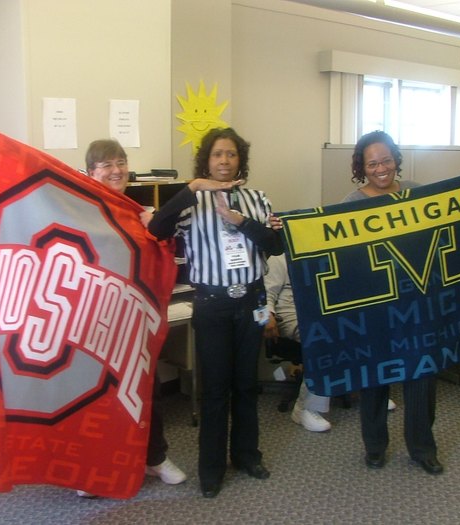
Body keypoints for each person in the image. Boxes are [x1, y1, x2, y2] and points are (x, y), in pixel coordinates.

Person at [148, 127, 284, 498]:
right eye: (217, 155)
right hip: (213, 303)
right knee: (214, 389)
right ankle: (211, 469)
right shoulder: (192, 201)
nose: (224, 161)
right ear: (206, 160)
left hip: (251, 301)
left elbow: (275, 245)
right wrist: (191, 188)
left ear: (241, 159)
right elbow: (157, 229)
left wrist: (243, 222)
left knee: (245, 383)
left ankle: (246, 455)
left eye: (232, 154)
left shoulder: (257, 198)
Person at [77, 139, 187, 497]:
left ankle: (154, 458)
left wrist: (157, 226)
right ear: (90, 172)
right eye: (106, 164)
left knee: (145, 391)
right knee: (95, 398)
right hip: (93, 322)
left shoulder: (138, 212)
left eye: (121, 162)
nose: (116, 170)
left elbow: (166, 255)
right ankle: (92, 471)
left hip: (135, 321)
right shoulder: (79, 211)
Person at [341, 130, 442, 475]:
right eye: (372, 163)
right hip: (374, 305)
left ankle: (422, 448)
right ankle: (374, 446)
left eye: (386, 160)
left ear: (396, 160)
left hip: (416, 302)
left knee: (421, 375)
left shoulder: (416, 192)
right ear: (362, 167)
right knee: (374, 376)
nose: (380, 168)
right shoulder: (351, 203)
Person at [263, 253, 397, 432]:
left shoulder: (329, 255)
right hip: (292, 313)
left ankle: (371, 394)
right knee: (324, 337)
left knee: (365, 329)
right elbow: (267, 293)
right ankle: (305, 408)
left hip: (326, 313)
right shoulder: (279, 259)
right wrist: (268, 316)